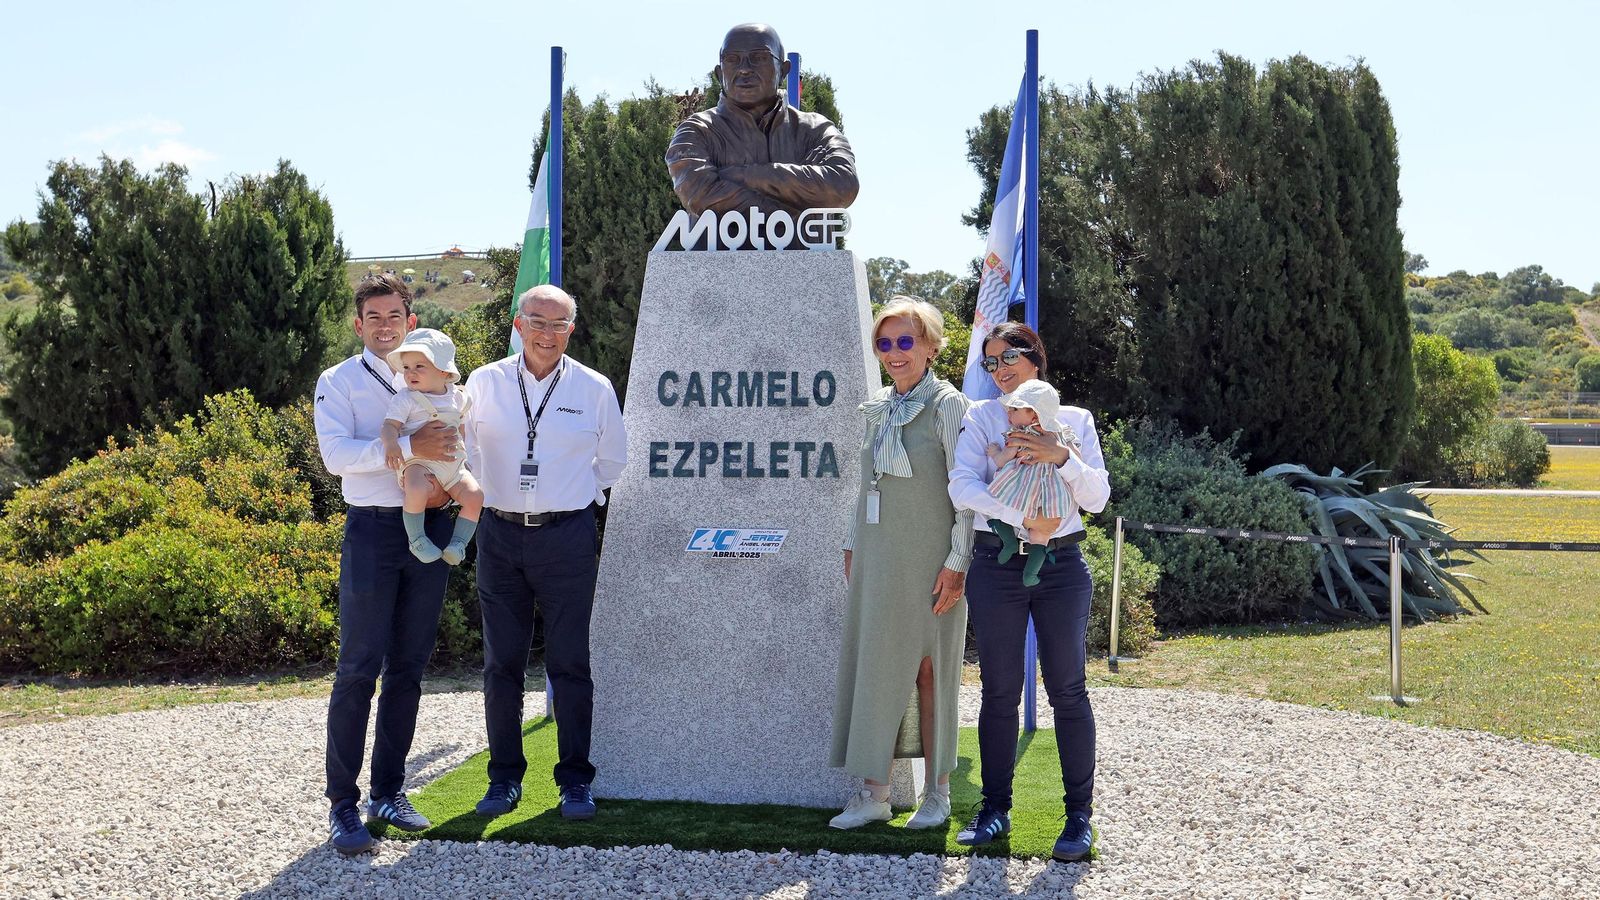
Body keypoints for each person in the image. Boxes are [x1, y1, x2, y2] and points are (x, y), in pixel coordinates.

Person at [461, 284, 627, 822]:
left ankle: (575, 782)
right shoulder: (484, 382)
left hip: (567, 538)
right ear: (517, 324)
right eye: (537, 321)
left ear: (571, 331)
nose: (547, 334)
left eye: (559, 325)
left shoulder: (594, 387)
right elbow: (462, 453)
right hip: (500, 534)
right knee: (501, 666)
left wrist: (568, 499)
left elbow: (612, 463)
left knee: (570, 664)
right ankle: (504, 779)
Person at [947, 322, 1110, 862]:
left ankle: (1078, 818)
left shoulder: (1076, 422)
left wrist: (1059, 457)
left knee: (1068, 691)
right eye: (991, 362)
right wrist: (1023, 516)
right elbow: (962, 485)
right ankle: (994, 810)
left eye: (1010, 356)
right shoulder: (981, 417)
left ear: (1035, 357)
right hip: (996, 563)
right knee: (998, 692)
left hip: (1062, 565)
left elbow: (1098, 499)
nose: (1000, 369)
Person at [313, 273, 462, 854]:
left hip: (430, 526)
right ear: (358, 324)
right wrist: (405, 451)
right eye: (372, 317)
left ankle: (388, 791)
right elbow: (336, 457)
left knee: (408, 669)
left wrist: (450, 482)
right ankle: (343, 805)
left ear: (411, 322)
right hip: (374, 532)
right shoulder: (339, 381)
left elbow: (460, 444)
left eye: (393, 316)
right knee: (357, 669)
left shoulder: (438, 377)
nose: (383, 326)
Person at [828, 297, 972, 830]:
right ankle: (874, 794)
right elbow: (863, 486)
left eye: (905, 341)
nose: (894, 352)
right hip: (877, 554)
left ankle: (937, 796)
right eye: (884, 343)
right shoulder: (877, 409)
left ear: (932, 347)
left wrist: (957, 562)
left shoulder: (950, 406)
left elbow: (967, 494)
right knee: (877, 667)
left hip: (932, 558)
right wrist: (851, 544)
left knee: (930, 671)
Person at [664, 23, 858, 218]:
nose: (745, 69)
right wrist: (790, 215)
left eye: (759, 58)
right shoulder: (695, 132)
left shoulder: (817, 130)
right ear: (719, 74)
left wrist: (742, 175)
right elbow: (700, 194)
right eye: (732, 59)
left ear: (783, 70)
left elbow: (844, 186)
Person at [379, 327, 484, 565]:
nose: (410, 373)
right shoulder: (406, 398)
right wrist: (391, 444)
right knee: (415, 489)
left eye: (419, 367)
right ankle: (416, 539)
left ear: (444, 371)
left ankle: (458, 544)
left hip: (453, 466)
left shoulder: (459, 397)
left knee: (476, 495)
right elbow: (389, 426)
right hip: (419, 463)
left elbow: (461, 428)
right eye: (406, 368)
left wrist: (464, 455)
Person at [983, 379, 1078, 587]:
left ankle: (1008, 541)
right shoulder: (1061, 433)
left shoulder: (1021, 435)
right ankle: (1030, 574)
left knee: (996, 503)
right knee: (1042, 534)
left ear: (1034, 414)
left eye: (1015, 409)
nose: (1009, 413)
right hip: (1051, 491)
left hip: (1022, 486)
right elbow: (1076, 458)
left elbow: (1003, 459)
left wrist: (994, 453)